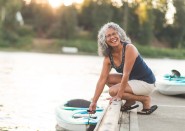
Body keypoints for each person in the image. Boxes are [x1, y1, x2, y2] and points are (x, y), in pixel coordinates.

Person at [88, 22, 158, 115]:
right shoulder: (108, 58)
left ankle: (145, 99)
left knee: (112, 91)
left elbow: (126, 74)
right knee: (107, 79)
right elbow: (102, 79)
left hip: (146, 82)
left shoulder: (129, 48)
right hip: (132, 80)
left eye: (114, 33)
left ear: (119, 34)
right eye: (108, 36)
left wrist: (118, 96)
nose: (112, 37)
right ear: (104, 40)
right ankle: (130, 101)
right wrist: (94, 102)